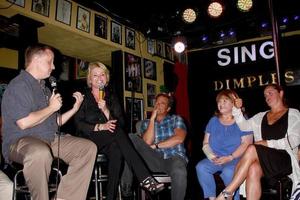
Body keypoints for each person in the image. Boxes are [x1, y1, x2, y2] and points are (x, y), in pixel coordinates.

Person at [1, 44, 97, 200]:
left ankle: (63, 198)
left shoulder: (44, 88)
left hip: (49, 138)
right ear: (36, 60)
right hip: (21, 141)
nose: (53, 66)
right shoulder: (19, 85)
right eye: (50, 61)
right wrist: (51, 108)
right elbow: (24, 123)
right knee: (40, 152)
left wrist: (74, 108)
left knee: (87, 148)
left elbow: (55, 122)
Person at [73, 62, 164, 200]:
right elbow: (78, 124)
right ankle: (145, 178)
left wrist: (106, 110)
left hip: (109, 140)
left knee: (117, 148)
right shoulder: (83, 97)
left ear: (106, 78)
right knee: (116, 133)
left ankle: (111, 197)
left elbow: (121, 123)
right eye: (95, 75)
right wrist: (99, 127)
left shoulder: (111, 97)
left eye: (102, 74)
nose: (99, 78)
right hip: (88, 140)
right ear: (90, 79)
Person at [216, 84, 300, 200]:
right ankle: (230, 194)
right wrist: (237, 109)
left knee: (252, 148)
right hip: (265, 161)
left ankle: (228, 192)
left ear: (281, 93)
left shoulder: (293, 113)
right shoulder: (261, 116)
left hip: (285, 159)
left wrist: (267, 143)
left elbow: (295, 140)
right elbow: (244, 126)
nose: (267, 97)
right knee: (253, 168)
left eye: (270, 93)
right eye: (265, 95)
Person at [123, 93, 188, 200]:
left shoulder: (176, 119)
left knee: (179, 170)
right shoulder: (146, 123)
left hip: (174, 158)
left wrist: (156, 146)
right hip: (154, 160)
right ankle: (127, 190)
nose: (158, 105)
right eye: (157, 102)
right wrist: (152, 119)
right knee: (130, 137)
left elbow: (179, 138)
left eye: (162, 103)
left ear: (168, 108)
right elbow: (147, 143)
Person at [195, 89, 253, 200]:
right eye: (219, 102)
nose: (220, 104)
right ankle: (212, 198)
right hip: (216, 158)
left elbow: (247, 143)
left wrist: (230, 157)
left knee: (228, 172)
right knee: (201, 167)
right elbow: (205, 143)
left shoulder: (242, 120)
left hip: (236, 158)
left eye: (225, 101)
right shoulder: (213, 121)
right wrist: (212, 157)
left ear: (234, 103)